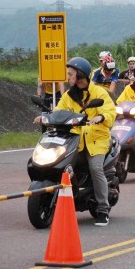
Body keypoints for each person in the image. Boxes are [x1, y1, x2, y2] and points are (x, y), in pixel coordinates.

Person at [34, 57, 116, 226]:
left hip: (97, 140)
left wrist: (101, 117)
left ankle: (102, 209)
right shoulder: (69, 95)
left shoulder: (100, 93)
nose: (68, 77)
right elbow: (58, 111)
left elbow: (110, 112)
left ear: (80, 75)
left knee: (95, 168)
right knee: (60, 162)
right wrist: (45, 117)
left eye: (70, 74)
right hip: (75, 140)